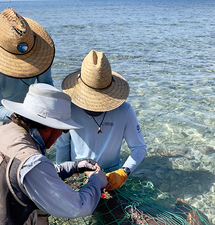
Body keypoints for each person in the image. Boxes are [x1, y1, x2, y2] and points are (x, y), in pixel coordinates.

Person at [0, 83, 108, 225]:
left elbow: (25, 177)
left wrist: (74, 167)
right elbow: (77, 207)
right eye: (64, 129)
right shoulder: (32, 163)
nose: (63, 134)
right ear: (48, 127)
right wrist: (97, 181)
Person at [56, 50, 147, 191]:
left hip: (112, 175)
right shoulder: (68, 109)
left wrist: (123, 172)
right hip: (77, 173)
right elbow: (62, 146)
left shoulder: (124, 110)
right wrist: (63, 177)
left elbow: (139, 148)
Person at [0, 8, 55, 128]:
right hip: (3, 114)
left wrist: (55, 109)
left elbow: (46, 84)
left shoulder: (40, 57)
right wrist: (22, 116)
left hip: (31, 110)